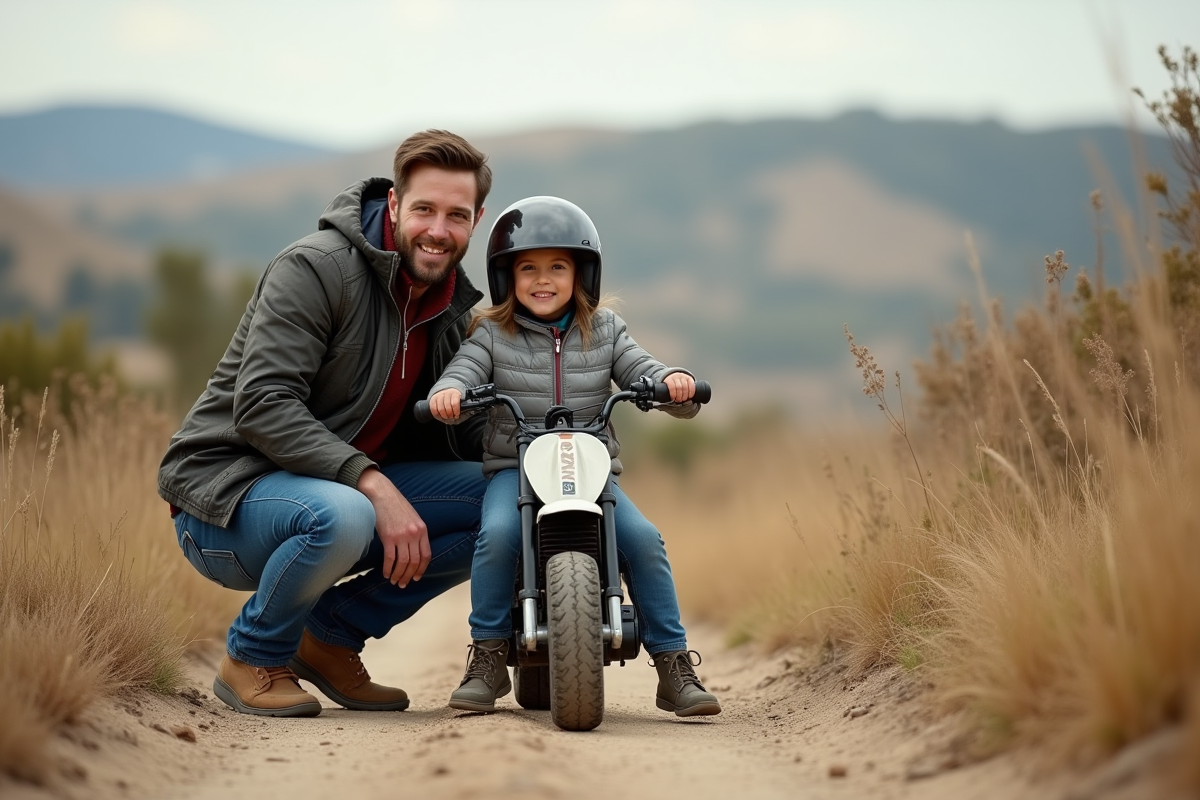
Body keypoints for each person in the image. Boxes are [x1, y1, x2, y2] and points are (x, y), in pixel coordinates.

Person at [158, 129, 492, 717]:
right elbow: (263, 404)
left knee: (505, 500)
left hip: (338, 492)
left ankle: (330, 636)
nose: (439, 230)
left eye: (456, 216)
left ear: (477, 219)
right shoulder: (315, 268)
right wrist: (372, 482)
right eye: (424, 209)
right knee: (346, 513)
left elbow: (457, 437)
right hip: (226, 502)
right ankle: (252, 656)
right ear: (394, 204)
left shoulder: (447, 305)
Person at [426, 195, 722, 718]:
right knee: (498, 535)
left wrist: (672, 383)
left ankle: (673, 664)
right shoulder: (490, 333)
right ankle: (487, 656)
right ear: (506, 277)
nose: (543, 279)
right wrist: (448, 394)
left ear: (582, 274)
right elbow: (461, 372)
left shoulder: (606, 331)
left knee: (643, 541)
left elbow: (643, 368)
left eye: (558, 267)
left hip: (592, 474)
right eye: (528, 269)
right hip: (516, 472)